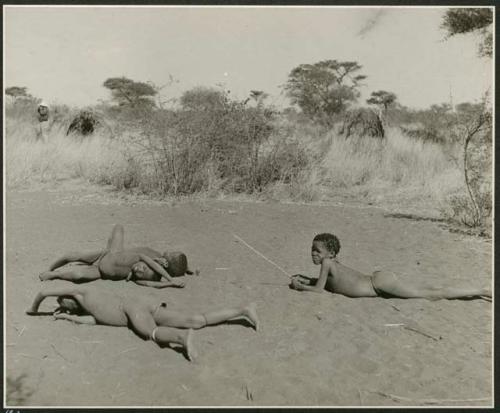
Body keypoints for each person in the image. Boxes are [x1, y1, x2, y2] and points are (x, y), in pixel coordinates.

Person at [26, 286, 259, 361]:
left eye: (64, 304)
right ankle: (243, 310)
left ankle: (181, 338)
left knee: (152, 333)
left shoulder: (81, 292)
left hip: (133, 309)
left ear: (68, 297)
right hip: (141, 303)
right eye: (65, 307)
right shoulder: (89, 309)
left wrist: (35, 309)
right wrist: (65, 317)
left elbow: (45, 291)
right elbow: (90, 321)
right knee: (197, 319)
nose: (66, 306)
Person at [290, 233, 492, 300]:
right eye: (312, 249)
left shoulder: (326, 263)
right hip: (378, 280)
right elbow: (329, 285)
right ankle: (480, 289)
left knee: (431, 294)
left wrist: (301, 287)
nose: (313, 254)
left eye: (318, 250)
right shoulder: (330, 263)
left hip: (378, 283)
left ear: (331, 254)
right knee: (428, 290)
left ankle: (481, 289)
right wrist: (306, 278)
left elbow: (318, 291)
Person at [39, 224, 197, 288]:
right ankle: (51, 267)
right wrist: (188, 270)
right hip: (109, 254)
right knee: (73, 255)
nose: (166, 253)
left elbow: (148, 283)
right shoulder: (152, 257)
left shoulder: (152, 271)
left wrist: (170, 282)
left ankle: (54, 274)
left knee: (78, 275)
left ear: (165, 264)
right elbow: (161, 263)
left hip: (104, 272)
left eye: (168, 255)